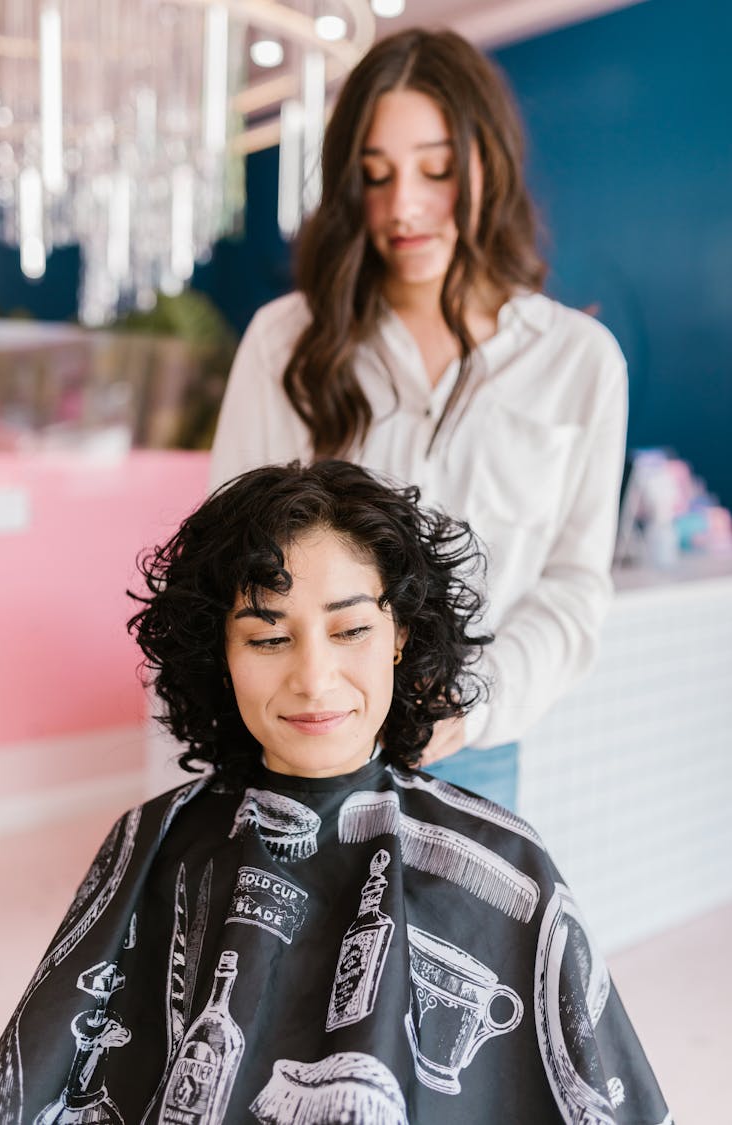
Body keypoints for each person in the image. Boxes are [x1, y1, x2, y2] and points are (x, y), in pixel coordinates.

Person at [0, 462, 670, 1125]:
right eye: (270, 636)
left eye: (350, 630)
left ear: (399, 635)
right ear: (221, 652)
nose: (314, 677)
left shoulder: (504, 860)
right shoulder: (154, 841)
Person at [209, 27, 628, 810]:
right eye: (375, 175)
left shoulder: (579, 361)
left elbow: (575, 588)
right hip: (303, 743)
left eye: (436, 170)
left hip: (474, 759)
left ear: (489, 168)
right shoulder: (285, 341)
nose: (403, 206)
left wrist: (469, 698)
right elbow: (229, 557)